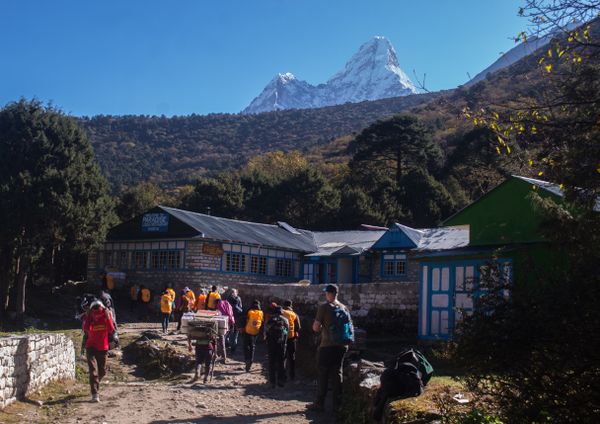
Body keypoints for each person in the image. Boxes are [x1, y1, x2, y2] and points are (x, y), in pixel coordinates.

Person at [308, 284, 354, 413]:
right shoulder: (344, 308)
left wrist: (322, 327)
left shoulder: (324, 307)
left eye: (326, 293)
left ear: (329, 294)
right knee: (337, 373)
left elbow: (315, 327)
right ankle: (337, 405)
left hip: (327, 346)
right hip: (342, 346)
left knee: (323, 373)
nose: (325, 295)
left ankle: (319, 403)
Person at [83, 300, 115, 402]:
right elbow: (86, 328)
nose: (96, 311)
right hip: (91, 347)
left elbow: (111, 329)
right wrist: (88, 316)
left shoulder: (106, 316)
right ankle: (95, 394)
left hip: (103, 348)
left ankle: (95, 383)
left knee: (102, 371)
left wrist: (108, 316)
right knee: (93, 371)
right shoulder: (90, 316)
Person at [265, 306, 289, 388]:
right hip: (281, 344)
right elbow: (287, 332)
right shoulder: (285, 320)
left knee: (271, 362)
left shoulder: (271, 320)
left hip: (271, 344)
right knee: (281, 362)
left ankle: (272, 382)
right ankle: (281, 381)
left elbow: (266, 331)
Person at [281, 299, 301, 381]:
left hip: (282, 338)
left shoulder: (281, 313)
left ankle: (283, 374)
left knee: (283, 356)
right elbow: (298, 327)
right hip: (292, 338)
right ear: (291, 306)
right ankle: (292, 375)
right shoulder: (294, 314)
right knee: (292, 356)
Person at [242, 300, 263, 372]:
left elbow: (245, 320)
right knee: (252, 346)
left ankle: (247, 359)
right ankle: (251, 360)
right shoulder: (261, 312)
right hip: (256, 331)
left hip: (248, 331)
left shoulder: (249, 311)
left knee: (246, 346)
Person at [215, 298, 235, 363]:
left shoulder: (219, 304)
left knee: (221, 339)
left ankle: (223, 357)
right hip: (230, 322)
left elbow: (219, 315)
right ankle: (219, 354)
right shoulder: (227, 303)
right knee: (223, 339)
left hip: (223, 324)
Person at [227, 289, 243, 354]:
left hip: (230, 319)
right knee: (235, 336)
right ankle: (232, 350)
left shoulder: (228, 299)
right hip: (236, 320)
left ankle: (229, 348)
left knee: (230, 335)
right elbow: (241, 308)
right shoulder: (238, 299)